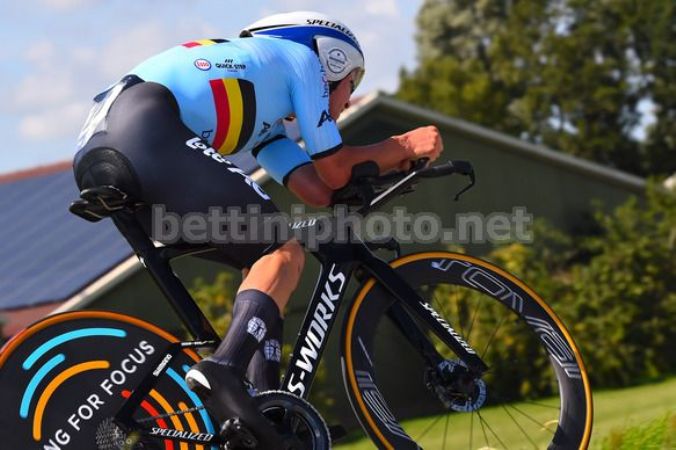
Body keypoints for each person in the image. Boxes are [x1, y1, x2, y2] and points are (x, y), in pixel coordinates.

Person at [73, 10, 442, 447]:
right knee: (282, 250)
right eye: (352, 83)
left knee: (262, 257)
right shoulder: (299, 60)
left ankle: (261, 405)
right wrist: (403, 145)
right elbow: (337, 168)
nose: (346, 101)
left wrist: (384, 171)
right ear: (333, 60)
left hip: (105, 152)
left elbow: (319, 189)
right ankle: (224, 369)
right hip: (145, 128)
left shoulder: (263, 121)